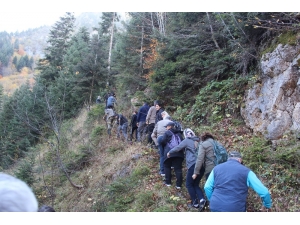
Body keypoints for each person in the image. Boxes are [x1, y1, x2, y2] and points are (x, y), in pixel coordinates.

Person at [204, 151, 272, 212]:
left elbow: (207, 187)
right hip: (235, 208)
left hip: (215, 206)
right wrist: (267, 205)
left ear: (228, 159)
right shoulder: (246, 172)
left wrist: (212, 199)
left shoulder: (216, 168)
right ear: (240, 160)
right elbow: (264, 192)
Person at [167, 128, 206, 211]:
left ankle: (195, 203)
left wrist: (170, 152)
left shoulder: (187, 140)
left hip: (193, 165)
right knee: (195, 184)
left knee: (189, 184)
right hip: (202, 165)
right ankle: (202, 199)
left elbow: (178, 147)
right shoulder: (199, 140)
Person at [160, 121, 184, 188]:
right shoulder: (179, 133)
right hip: (179, 153)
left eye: (167, 127)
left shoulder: (167, 133)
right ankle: (178, 185)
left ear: (170, 126)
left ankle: (168, 183)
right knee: (178, 168)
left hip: (169, 152)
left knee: (167, 166)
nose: (166, 128)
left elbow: (163, 141)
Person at [151, 111, 172, 176]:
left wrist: (157, 143)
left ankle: (162, 171)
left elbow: (152, 135)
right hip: (168, 138)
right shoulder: (171, 122)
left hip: (160, 138)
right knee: (169, 154)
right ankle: (169, 168)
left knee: (162, 155)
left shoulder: (158, 122)